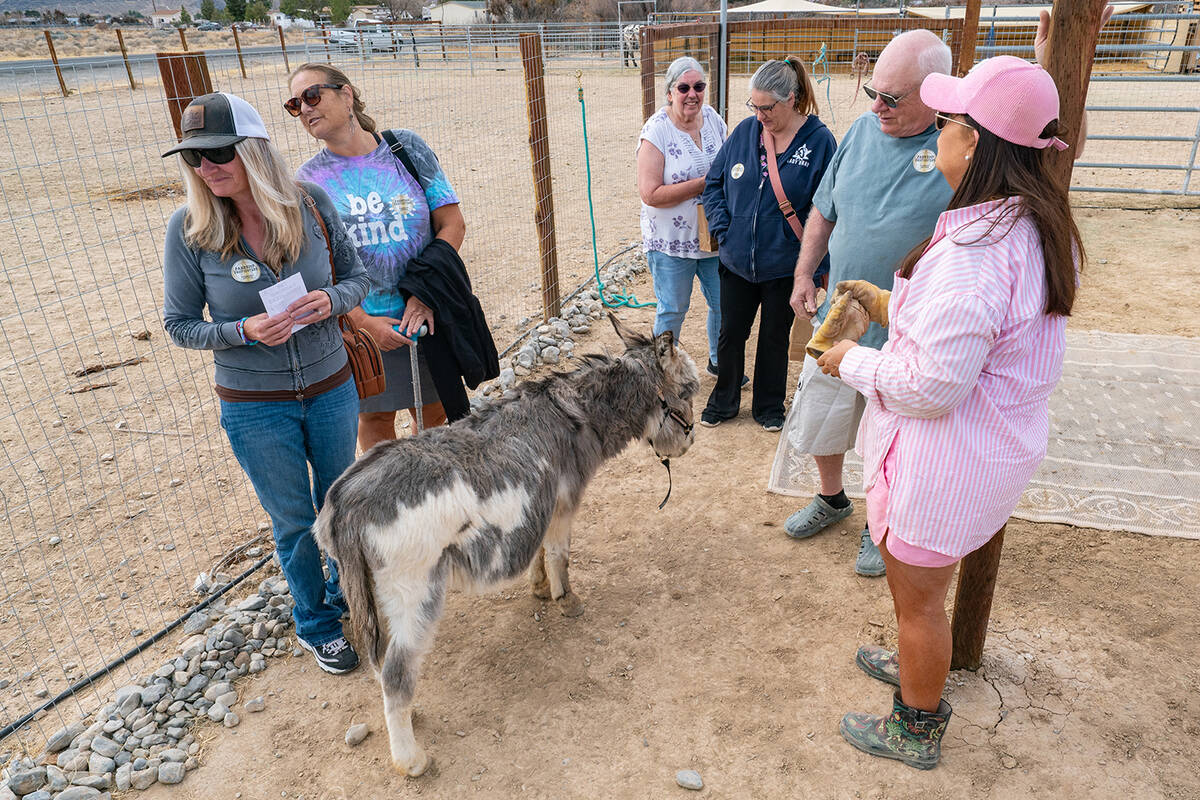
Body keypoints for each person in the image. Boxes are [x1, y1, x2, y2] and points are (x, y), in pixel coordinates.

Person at [817, 56, 1085, 769]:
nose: (938, 133)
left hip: (948, 458)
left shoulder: (974, 254)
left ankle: (916, 725)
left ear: (977, 145)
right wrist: (890, 301)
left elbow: (933, 383)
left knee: (920, 603)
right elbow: (973, 331)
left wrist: (852, 361)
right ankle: (916, 667)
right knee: (922, 597)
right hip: (987, 450)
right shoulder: (1027, 223)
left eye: (950, 123)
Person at [161, 92, 370, 675]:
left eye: (218, 153)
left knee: (341, 502)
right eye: (193, 158)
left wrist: (329, 300)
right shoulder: (189, 230)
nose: (206, 168)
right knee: (295, 521)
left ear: (253, 150)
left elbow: (356, 278)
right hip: (255, 407)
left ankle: (352, 591)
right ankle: (317, 623)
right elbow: (179, 325)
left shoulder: (311, 203)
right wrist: (243, 330)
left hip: (331, 388)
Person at [780, 30, 954, 578]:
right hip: (842, 312)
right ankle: (832, 499)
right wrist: (805, 271)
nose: (876, 105)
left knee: (894, 438)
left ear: (935, 94)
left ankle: (881, 525)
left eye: (891, 98)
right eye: (872, 91)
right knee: (822, 417)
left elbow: (1045, 151)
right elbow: (824, 212)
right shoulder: (858, 132)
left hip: (908, 325)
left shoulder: (960, 148)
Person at [288, 63, 467, 451]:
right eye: (294, 103)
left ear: (346, 94)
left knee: (435, 415)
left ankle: (438, 500)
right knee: (374, 418)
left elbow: (452, 225)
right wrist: (362, 320)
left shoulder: (406, 149)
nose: (304, 108)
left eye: (312, 96)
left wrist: (426, 295)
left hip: (426, 317)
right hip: (361, 327)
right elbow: (315, 269)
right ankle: (389, 506)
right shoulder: (307, 182)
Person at [699, 58, 835, 432]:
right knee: (731, 334)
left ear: (791, 99)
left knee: (774, 338)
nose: (759, 115)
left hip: (785, 265)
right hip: (737, 261)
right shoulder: (744, 132)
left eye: (767, 108)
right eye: (754, 106)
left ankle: (769, 406)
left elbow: (828, 207)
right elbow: (714, 184)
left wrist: (817, 268)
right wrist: (724, 230)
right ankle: (724, 400)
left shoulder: (820, 142)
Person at [636, 55, 728, 379]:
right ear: (670, 92)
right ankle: (660, 373)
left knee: (723, 303)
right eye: (684, 87)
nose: (693, 94)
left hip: (713, 237)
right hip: (671, 243)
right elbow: (650, 193)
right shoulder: (656, 132)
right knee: (673, 308)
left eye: (699, 86)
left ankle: (720, 362)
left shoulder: (714, 120)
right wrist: (702, 185)